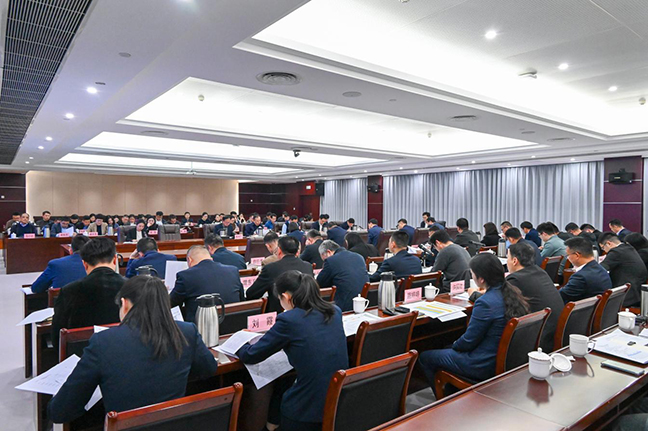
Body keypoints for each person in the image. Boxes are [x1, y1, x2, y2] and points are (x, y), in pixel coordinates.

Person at [48, 276, 218, 424]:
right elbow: (209, 368)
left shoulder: (104, 341)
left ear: (124, 303)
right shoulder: (187, 331)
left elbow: (60, 411)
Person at [237, 272, 347, 431]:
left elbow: (251, 355)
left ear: (286, 297)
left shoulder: (289, 320)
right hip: (337, 400)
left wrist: (240, 342)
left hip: (306, 407)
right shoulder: (334, 311)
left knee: (282, 392)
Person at [419, 253, 529, 393]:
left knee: (425, 357)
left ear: (481, 279)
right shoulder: (513, 293)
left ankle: (444, 399)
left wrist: (454, 345)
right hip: (505, 359)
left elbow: (468, 341)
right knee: (447, 347)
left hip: (482, 364)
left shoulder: (485, 302)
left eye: (472, 273)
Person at [468, 242, 563, 352]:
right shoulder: (540, 271)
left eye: (508, 257)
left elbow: (494, 301)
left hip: (539, 339)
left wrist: (473, 294)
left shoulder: (515, 279)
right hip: (553, 332)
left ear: (514, 261)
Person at [51, 238, 125, 352]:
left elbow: (57, 337)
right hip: (123, 352)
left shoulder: (68, 291)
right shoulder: (132, 287)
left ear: (84, 264)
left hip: (82, 356)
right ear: (115, 259)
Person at [170, 246, 244, 322]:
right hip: (233, 323)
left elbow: (171, 303)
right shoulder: (233, 270)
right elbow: (242, 298)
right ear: (211, 258)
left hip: (201, 326)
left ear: (189, 260)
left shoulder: (185, 276)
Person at [247, 236, 314, 312]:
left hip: (278, 314)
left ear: (279, 251)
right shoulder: (308, 266)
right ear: (298, 252)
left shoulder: (270, 268)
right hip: (306, 312)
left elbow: (252, 294)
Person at [317, 240, 369, 312]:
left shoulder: (331, 261)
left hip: (342, 307)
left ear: (328, 252)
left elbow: (319, 283)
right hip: (363, 304)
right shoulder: (359, 257)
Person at [599, 232, 648, 307]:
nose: (604, 251)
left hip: (626, 296)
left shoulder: (616, 252)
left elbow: (600, 269)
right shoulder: (628, 248)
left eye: (603, 248)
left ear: (609, 243)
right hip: (636, 293)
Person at [559, 237, 612, 304]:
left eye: (568, 255)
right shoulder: (601, 269)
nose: (568, 258)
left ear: (577, 255)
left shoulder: (580, 277)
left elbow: (559, 296)